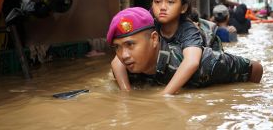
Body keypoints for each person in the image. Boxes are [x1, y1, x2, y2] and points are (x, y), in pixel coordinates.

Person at [107, 7, 263, 95]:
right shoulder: (127, 69)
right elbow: (116, 63)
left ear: (154, 39)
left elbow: (255, 68)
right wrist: (126, 93)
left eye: (130, 44)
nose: (124, 55)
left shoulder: (205, 64)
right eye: (117, 47)